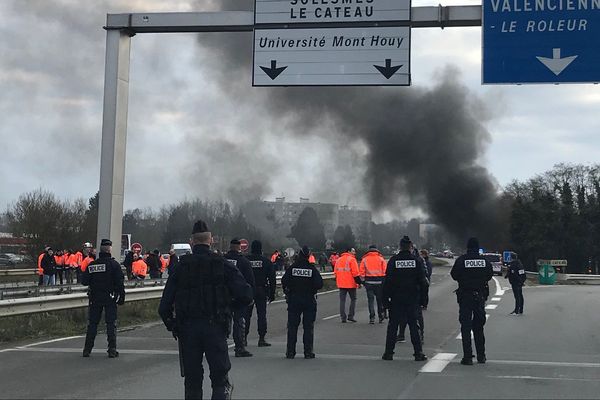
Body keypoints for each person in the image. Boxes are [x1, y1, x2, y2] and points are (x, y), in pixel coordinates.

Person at [159, 220, 253, 400]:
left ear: (192, 241)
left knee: (192, 383)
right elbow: (246, 295)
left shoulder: (180, 267)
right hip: (215, 327)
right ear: (211, 241)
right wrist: (229, 308)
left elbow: (164, 307)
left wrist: (173, 325)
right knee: (220, 381)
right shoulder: (223, 265)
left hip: (188, 330)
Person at [382, 236, 428, 362]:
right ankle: (418, 353)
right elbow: (423, 282)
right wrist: (423, 300)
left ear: (400, 247)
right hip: (412, 298)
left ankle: (388, 353)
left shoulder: (393, 260)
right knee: (414, 326)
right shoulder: (416, 260)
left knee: (393, 326)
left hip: (396, 299)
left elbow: (387, 282)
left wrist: (385, 301)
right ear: (410, 247)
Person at [451, 237, 493, 365]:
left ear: (467, 247)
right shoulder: (484, 261)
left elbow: (454, 275)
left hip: (465, 296)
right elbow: (489, 275)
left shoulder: (461, 260)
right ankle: (481, 356)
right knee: (479, 327)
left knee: (466, 327)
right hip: (479, 296)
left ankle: (467, 357)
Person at [81, 239, 125, 358]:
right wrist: (122, 296)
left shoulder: (92, 265)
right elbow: (120, 283)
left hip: (95, 298)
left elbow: (84, 281)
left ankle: (87, 349)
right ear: (110, 249)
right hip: (110, 297)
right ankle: (112, 349)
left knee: (93, 324)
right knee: (111, 323)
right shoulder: (114, 265)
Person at [281, 245, 323, 359]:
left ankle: (290, 352)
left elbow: (284, 281)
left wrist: (289, 290)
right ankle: (308, 352)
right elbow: (319, 284)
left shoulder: (293, 268)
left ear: (299, 255)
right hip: (309, 300)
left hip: (294, 300)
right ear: (308, 256)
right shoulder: (311, 269)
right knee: (308, 327)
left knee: (292, 327)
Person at [225, 238, 256, 357]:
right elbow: (250, 281)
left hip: (224, 295)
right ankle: (239, 347)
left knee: (223, 320)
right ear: (239, 247)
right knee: (239, 321)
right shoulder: (244, 262)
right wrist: (251, 296)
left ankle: (221, 343)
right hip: (239, 296)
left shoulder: (223, 260)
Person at [245, 240, 276, 347]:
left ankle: (243, 338)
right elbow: (272, 278)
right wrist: (272, 293)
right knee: (261, 315)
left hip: (248, 291)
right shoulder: (266, 261)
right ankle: (261, 338)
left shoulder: (246, 260)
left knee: (246, 315)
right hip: (261, 290)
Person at [359, 245, 387, 324]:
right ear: (377, 250)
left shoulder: (364, 259)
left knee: (370, 301)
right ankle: (381, 316)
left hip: (369, 282)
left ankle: (372, 317)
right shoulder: (381, 259)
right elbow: (385, 271)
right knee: (379, 300)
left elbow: (361, 272)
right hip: (379, 282)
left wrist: (363, 281)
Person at [334, 248, 360, 323]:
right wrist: (359, 282)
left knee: (342, 301)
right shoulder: (352, 259)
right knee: (353, 299)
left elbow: (335, 272)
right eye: (353, 251)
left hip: (341, 283)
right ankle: (350, 316)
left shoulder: (338, 259)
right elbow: (355, 273)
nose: (354, 253)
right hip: (351, 283)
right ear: (349, 251)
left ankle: (343, 317)